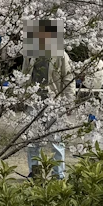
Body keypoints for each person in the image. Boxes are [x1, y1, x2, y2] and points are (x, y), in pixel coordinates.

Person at [20, 19, 74, 178]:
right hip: (34, 102)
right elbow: (24, 76)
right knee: (32, 141)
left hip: (54, 102)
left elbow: (68, 79)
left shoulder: (60, 54)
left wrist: (68, 103)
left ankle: (59, 175)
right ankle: (35, 173)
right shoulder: (30, 54)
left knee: (56, 141)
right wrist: (24, 97)